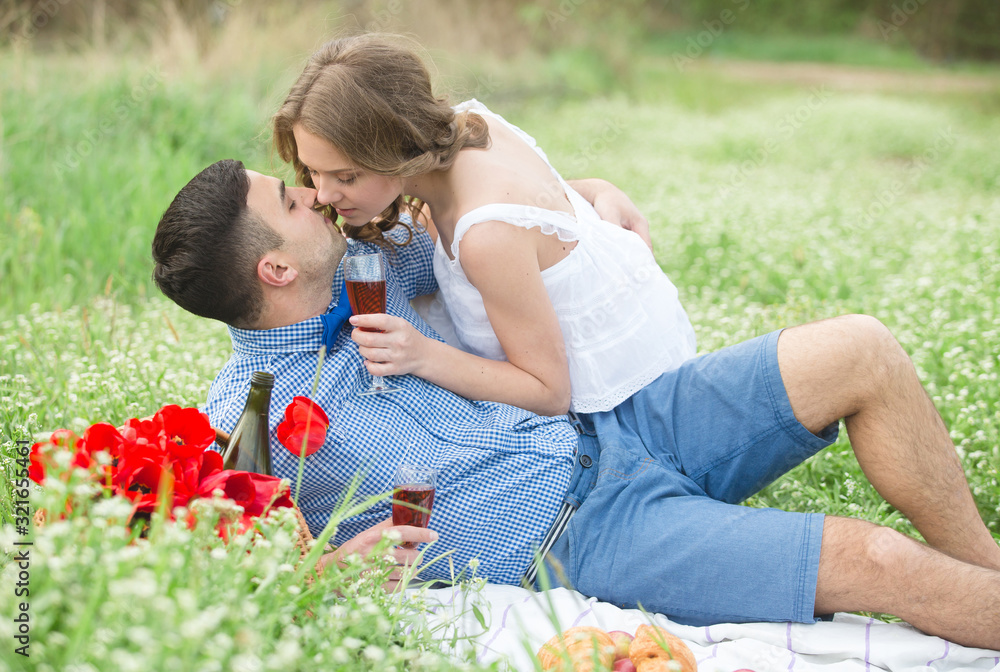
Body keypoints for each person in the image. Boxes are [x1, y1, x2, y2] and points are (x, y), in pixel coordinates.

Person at [152, 159, 1000, 650]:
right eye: (294, 203)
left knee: (860, 347)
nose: (318, 196)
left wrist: (589, 194)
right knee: (875, 562)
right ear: (273, 268)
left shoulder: (373, 265)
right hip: (580, 536)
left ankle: (988, 569)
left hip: (616, 426)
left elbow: (481, 206)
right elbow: (236, 584)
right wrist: (340, 567)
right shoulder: (242, 418)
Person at [271, 34, 697, 418]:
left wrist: (422, 355)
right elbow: (533, 203)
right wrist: (593, 188)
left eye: (346, 177)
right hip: (662, 344)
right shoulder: (471, 124)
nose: (323, 194)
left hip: (627, 409)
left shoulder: (486, 237)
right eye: (313, 170)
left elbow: (550, 393)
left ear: (399, 149)